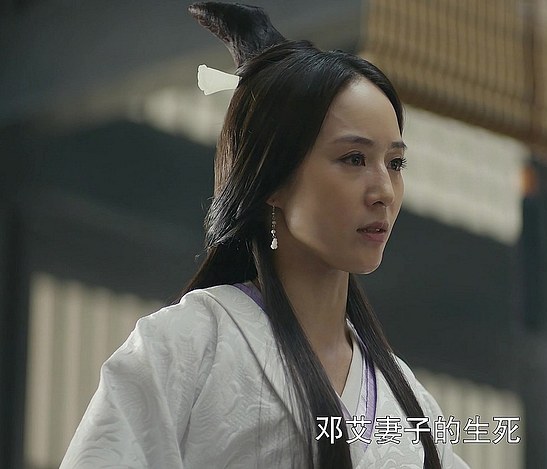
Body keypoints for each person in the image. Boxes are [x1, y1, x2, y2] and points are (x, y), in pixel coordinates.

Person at [61, 2, 469, 468]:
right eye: (353, 159)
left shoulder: (409, 399)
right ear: (273, 178)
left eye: (395, 163)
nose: (384, 192)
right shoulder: (187, 345)